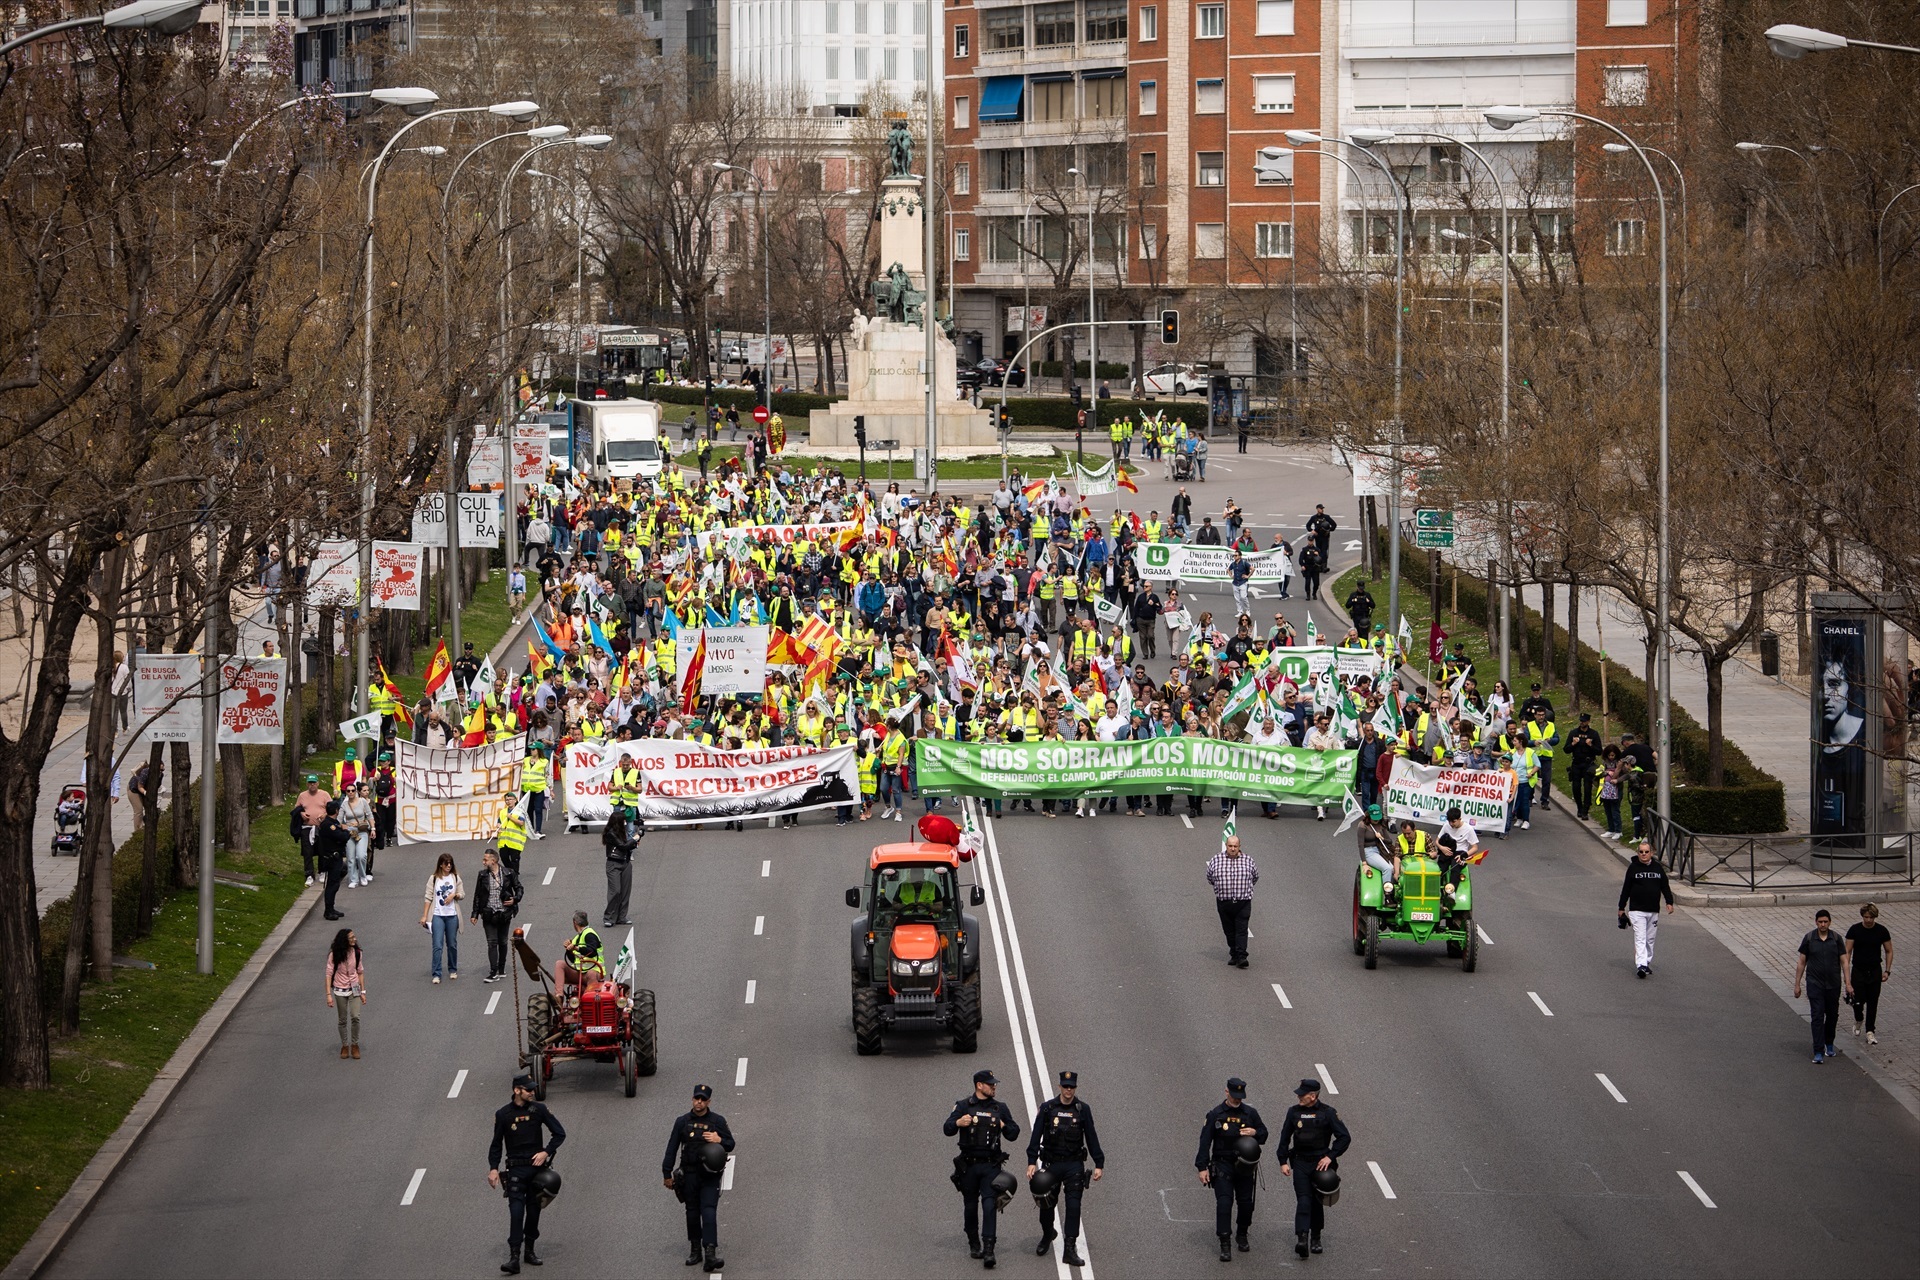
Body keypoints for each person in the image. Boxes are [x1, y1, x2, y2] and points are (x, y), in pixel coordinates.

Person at [1024, 1070, 1104, 1266]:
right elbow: (1036, 1135)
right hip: (1051, 1164)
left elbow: (1091, 1137)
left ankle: (1069, 1247)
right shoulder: (1047, 1108)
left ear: (1075, 1088)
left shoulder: (1082, 1109)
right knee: (1046, 1205)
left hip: (1073, 1165)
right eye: (1065, 1086)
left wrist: (1099, 1163)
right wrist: (1031, 1161)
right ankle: (1047, 1234)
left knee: (1074, 1206)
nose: (1068, 1090)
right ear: (1059, 1086)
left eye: (1072, 1087)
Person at [488, 1075, 565, 1275]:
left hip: (536, 1170)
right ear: (517, 1091)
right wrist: (493, 1168)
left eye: (532, 1089)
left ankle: (529, 1251)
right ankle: (514, 1256)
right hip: (515, 1170)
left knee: (533, 1212)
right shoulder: (503, 1114)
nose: (532, 1092)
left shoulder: (539, 1110)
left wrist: (546, 1152)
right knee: (516, 1212)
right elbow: (496, 1144)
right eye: (528, 1089)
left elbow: (559, 1133)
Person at [944, 1068, 1021, 1268]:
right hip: (969, 1166)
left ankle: (989, 1249)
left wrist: (1003, 1125)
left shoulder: (1000, 1108)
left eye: (994, 1084)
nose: (994, 1087)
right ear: (979, 1086)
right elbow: (947, 1128)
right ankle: (973, 1242)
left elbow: (1014, 1134)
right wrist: (959, 1122)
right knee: (970, 1206)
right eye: (990, 1084)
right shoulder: (963, 1106)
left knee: (989, 1205)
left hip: (990, 1166)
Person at [662, 1083, 736, 1272]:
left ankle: (710, 1253)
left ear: (708, 1101)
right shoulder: (682, 1122)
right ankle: (695, 1250)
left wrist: (719, 1140)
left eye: (703, 1099)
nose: (699, 1102)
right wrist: (666, 1173)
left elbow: (730, 1143)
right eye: (697, 1098)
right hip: (689, 1175)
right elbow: (671, 1148)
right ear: (692, 1099)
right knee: (692, 1212)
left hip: (709, 1175)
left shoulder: (717, 1121)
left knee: (709, 1211)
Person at [1195, 1076, 1268, 1261]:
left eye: (1240, 1096)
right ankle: (1224, 1242)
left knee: (1246, 1204)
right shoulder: (1216, 1115)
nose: (1237, 1099)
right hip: (1222, 1165)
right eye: (1234, 1095)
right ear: (1226, 1092)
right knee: (1225, 1204)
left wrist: (1255, 1133)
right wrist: (1202, 1167)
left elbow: (1264, 1134)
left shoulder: (1250, 1113)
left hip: (1244, 1166)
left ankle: (1242, 1233)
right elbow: (1205, 1142)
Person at [1277, 1077, 1351, 1259]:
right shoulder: (1293, 1113)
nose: (1299, 1097)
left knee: (1317, 1203)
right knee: (1303, 1199)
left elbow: (1344, 1137)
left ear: (1312, 1096)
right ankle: (1302, 1238)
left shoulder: (1328, 1113)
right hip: (1301, 1162)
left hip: (1320, 1164)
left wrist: (1330, 1156)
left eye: (1302, 1095)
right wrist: (1283, 1161)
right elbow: (1284, 1138)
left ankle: (1316, 1237)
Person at [1793, 909, 1847, 1063]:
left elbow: (1844, 961)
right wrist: (1797, 984)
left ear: (1829, 922)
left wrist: (1848, 982)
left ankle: (1829, 1043)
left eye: (1825, 921)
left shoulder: (1836, 939)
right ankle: (1818, 1050)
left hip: (1833, 984)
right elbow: (1801, 962)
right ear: (1816, 922)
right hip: (1814, 984)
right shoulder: (1809, 938)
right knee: (1817, 1016)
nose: (1823, 924)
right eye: (1820, 922)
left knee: (1832, 1015)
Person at [1615, 841, 1674, 978]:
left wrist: (1669, 902)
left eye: (1646, 852)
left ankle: (1646, 963)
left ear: (1651, 853)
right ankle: (1641, 965)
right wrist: (1621, 907)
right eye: (1641, 852)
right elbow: (1626, 888)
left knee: (1650, 939)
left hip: (1653, 910)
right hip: (1637, 910)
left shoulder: (1658, 868)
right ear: (1638, 853)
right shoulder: (1633, 868)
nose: (1643, 854)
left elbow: (1665, 886)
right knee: (1640, 937)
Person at [1845, 903, 1893, 1048]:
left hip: (1874, 970)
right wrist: (1846, 972)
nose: (1868, 920)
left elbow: (1889, 950)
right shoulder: (1854, 930)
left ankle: (1870, 1030)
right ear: (1862, 917)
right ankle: (1858, 1018)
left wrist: (1887, 970)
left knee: (1873, 1001)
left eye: (1871, 917)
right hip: (1858, 970)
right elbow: (1847, 951)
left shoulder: (1881, 931)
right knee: (1857, 1000)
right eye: (1866, 917)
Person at [1206, 834, 1259, 969]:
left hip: (1243, 902)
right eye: (1230, 846)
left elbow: (1255, 877)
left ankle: (1242, 956)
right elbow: (1210, 878)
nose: (1233, 849)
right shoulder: (1216, 860)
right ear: (1226, 846)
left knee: (1241, 929)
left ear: (1239, 847)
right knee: (1229, 930)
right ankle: (1234, 953)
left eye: (1235, 846)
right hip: (1224, 902)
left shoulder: (1248, 861)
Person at [471, 848, 522, 984]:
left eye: (485, 859)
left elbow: (519, 888)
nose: (483, 862)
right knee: (491, 942)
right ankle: (493, 972)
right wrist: (475, 913)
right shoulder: (482, 875)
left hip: (504, 913)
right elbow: (477, 895)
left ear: (493, 861)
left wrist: (515, 899)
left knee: (503, 941)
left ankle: (501, 968)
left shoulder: (508, 873)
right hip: (488, 913)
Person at [420, 852, 463, 983]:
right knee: (437, 945)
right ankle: (436, 973)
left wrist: (454, 895)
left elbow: (462, 894)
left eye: (450, 863)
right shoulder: (433, 878)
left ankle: (452, 969)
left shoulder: (455, 877)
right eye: (446, 863)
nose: (448, 866)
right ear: (441, 865)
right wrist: (425, 915)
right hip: (438, 915)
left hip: (452, 915)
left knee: (452, 944)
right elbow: (428, 897)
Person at [325, 927, 366, 1060]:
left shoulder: (357, 952)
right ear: (344, 941)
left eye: (354, 937)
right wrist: (328, 995)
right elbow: (328, 974)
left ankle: (354, 1045)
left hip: (354, 988)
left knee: (355, 1016)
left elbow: (360, 971)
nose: (355, 939)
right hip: (339, 989)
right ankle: (344, 1045)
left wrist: (363, 991)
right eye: (351, 938)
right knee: (342, 1020)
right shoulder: (334, 954)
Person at [602, 809, 642, 927]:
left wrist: (635, 843)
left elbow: (626, 846)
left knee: (625, 891)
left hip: (625, 863)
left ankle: (621, 917)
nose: (625, 822)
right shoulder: (611, 833)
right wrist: (634, 839)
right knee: (616, 891)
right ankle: (608, 917)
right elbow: (622, 845)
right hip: (613, 864)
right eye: (623, 820)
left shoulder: (621, 831)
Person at [315, 800, 351, 921]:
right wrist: (346, 830)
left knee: (341, 873)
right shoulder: (328, 825)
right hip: (331, 858)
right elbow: (342, 836)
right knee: (332, 885)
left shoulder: (333, 823)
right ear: (336, 811)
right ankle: (328, 911)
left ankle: (331, 907)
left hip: (336, 857)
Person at [294, 774, 331, 886]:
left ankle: (322, 871)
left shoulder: (324, 794)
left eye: (314, 782)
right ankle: (309, 874)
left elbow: (332, 809)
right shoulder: (302, 795)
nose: (312, 785)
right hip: (307, 827)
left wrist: (325, 815)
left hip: (321, 827)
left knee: (322, 850)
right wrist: (301, 813)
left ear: (318, 783)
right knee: (307, 851)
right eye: (310, 783)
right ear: (307, 784)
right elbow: (296, 809)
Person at [1564, 713, 1603, 819]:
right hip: (1576, 763)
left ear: (1588, 722)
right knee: (1576, 788)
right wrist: (1573, 744)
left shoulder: (1593, 734)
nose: (1582, 723)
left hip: (1588, 764)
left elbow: (1599, 751)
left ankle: (1585, 810)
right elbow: (1566, 749)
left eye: (1584, 721)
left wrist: (1591, 745)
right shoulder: (1574, 733)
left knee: (1587, 788)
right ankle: (1579, 808)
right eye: (1581, 721)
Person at [555, 911, 604, 994]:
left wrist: (576, 948)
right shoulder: (577, 938)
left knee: (591, 974)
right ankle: (559, 995)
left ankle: (590, 997)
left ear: (574, 923)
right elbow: (573, 960)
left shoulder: (590, 934)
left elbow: (592, 952)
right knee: (560, 964)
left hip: (593, 972)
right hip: (579, 971)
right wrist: (569, 950)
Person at [339, 781, 374, 888]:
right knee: (350, 857)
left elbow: (370, 815)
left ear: (356, 791)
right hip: (350, 832)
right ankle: (353, 879)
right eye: (348, 791)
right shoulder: (344, 805)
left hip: (362, 831)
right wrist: (345, 826)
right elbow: (339, 820)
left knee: (361, 856)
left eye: (353, 790)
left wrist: (373, 828)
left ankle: (363, 875)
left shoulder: (362, 801)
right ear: (346, 793)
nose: (350, 793)